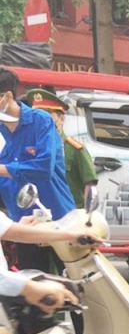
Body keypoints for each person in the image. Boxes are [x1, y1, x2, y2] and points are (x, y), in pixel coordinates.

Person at [0, 69, 78, 271]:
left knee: (77, 283)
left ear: (6, 97)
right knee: (35, 285)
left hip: (58, 217)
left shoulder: (41, 121)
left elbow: (44, 168)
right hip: (24, 224)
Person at [22, 88, 97, 209]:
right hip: (39, 213)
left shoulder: (75, 149)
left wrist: (85, 216)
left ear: (61, 119)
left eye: (47, 115)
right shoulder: (29, 149)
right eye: (37, 115)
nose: (41, 120)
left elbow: (90, 185)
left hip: (69, 213)